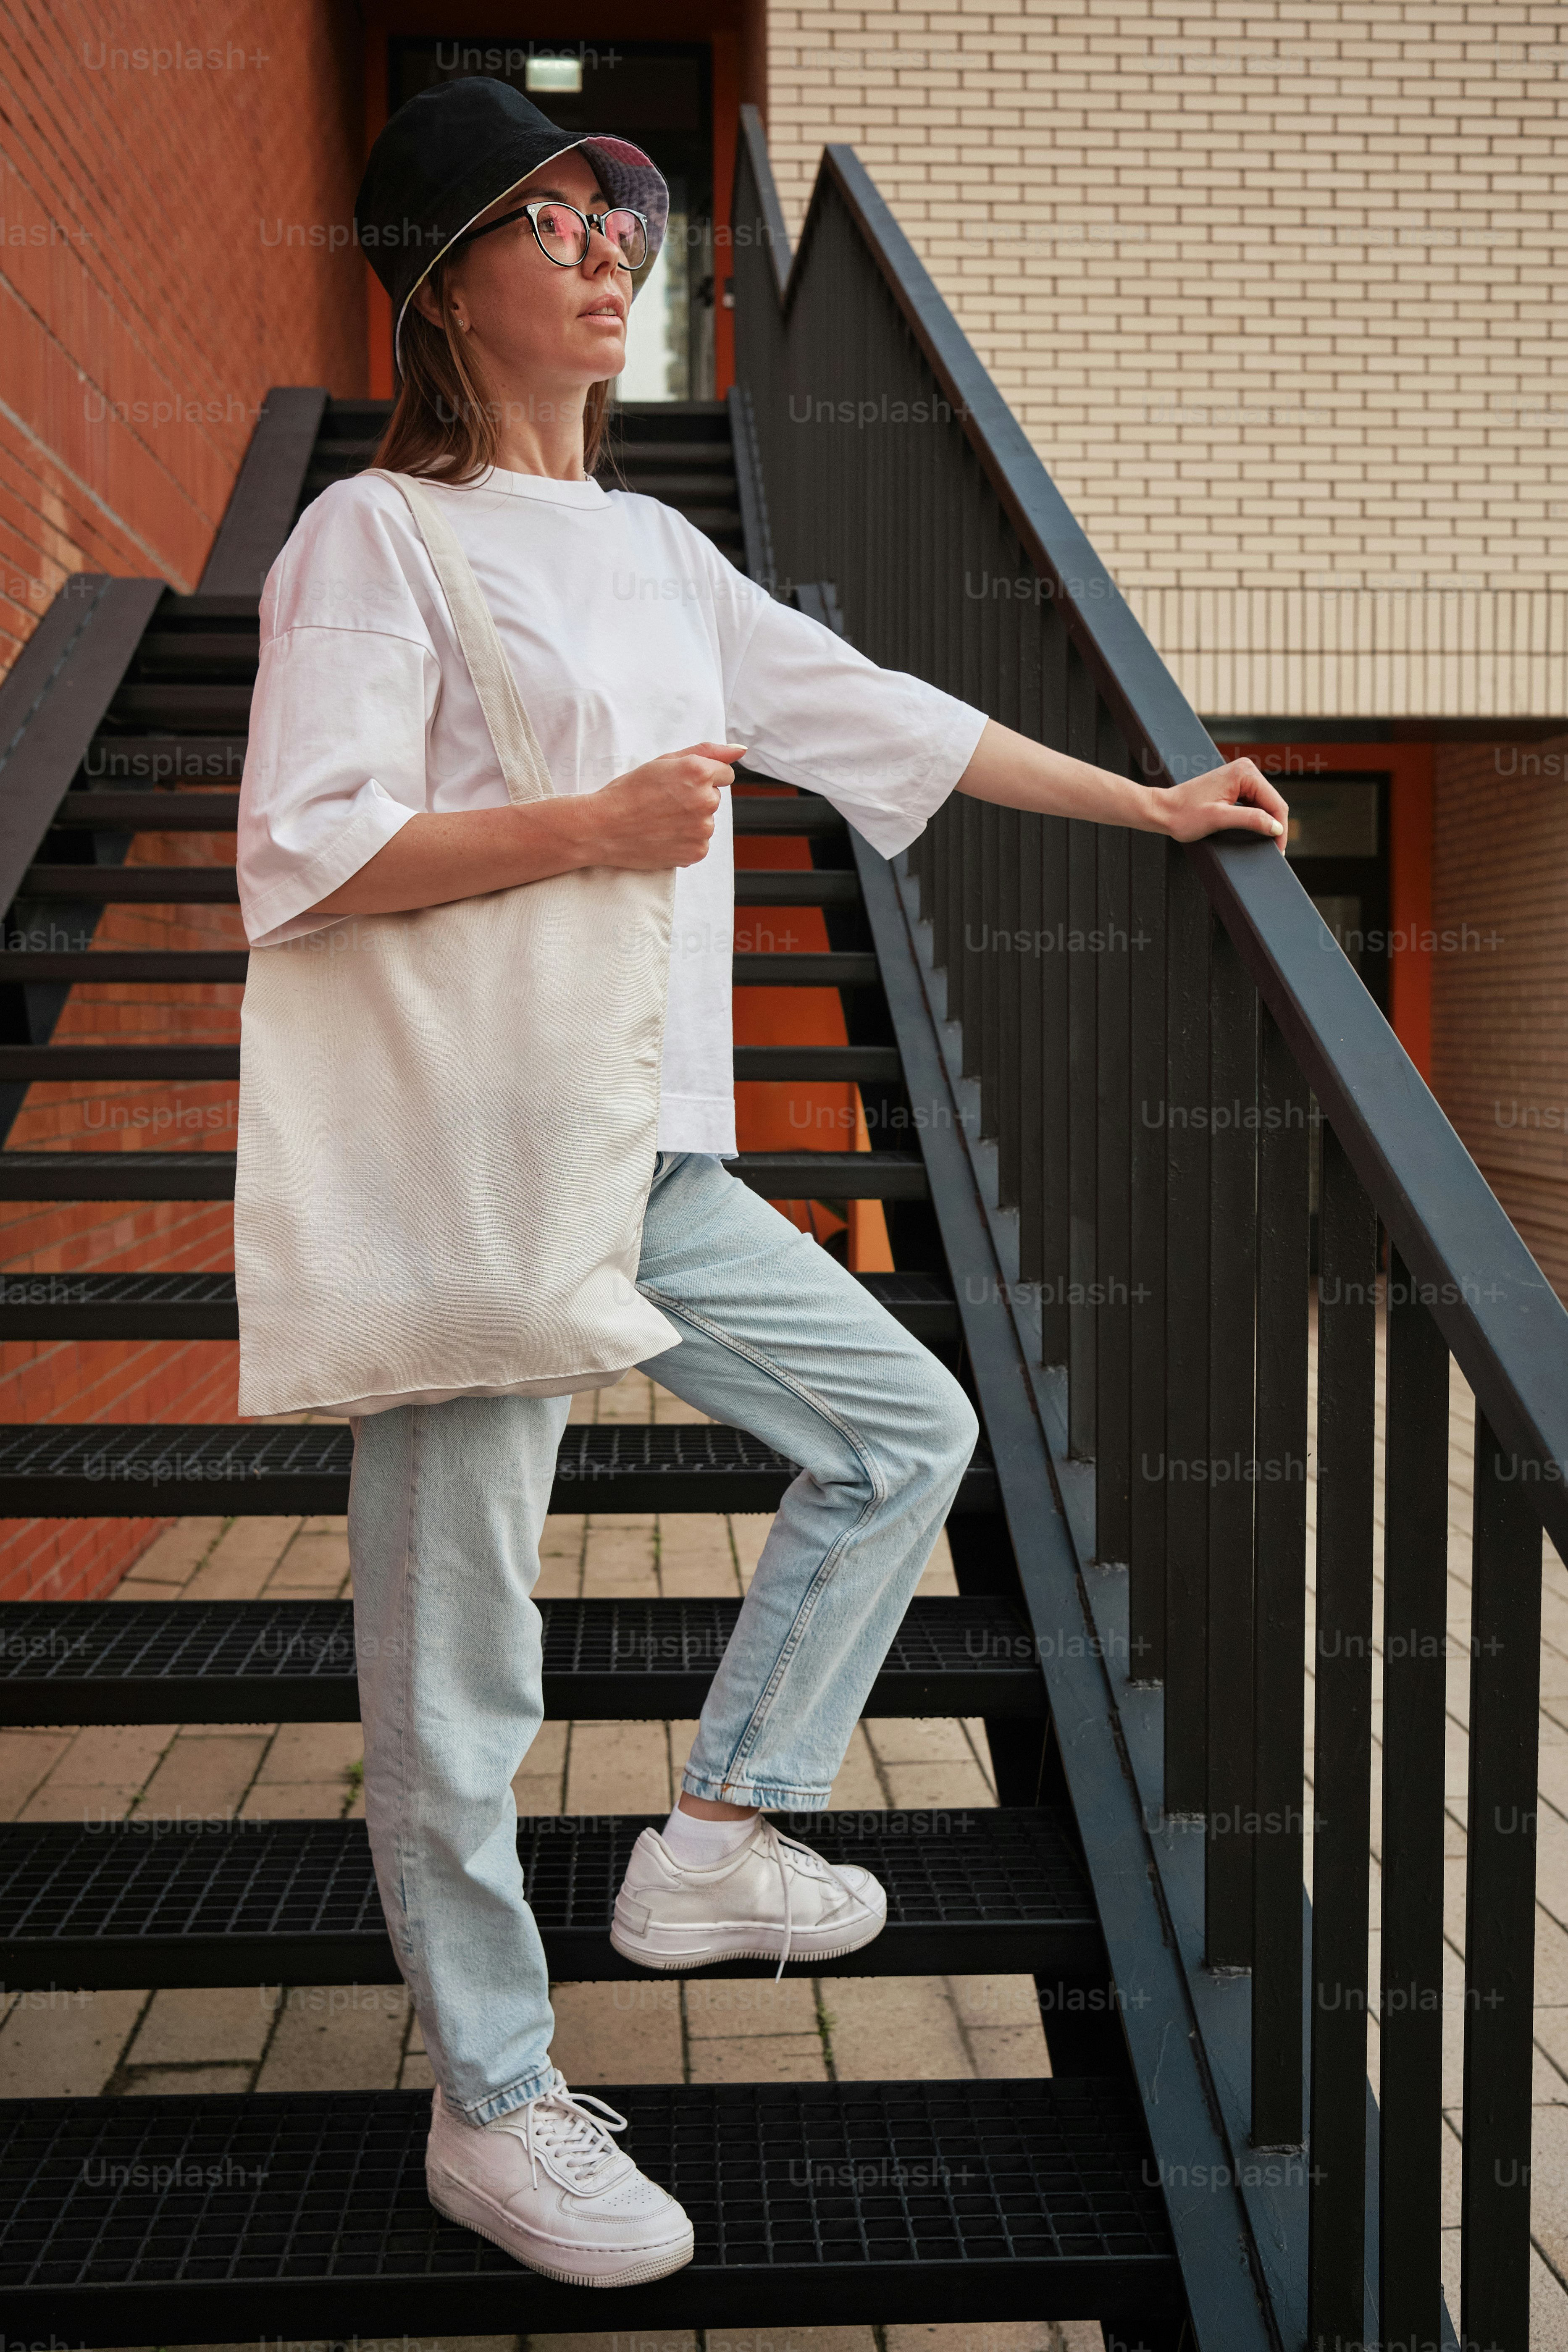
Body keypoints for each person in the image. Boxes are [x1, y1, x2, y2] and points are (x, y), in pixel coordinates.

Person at [236, 75, 1290, 2293]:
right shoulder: (372, 538)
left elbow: (877, 710)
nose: (611, 255)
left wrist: (1153, 800)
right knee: (460, 1678)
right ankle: (492, 2104)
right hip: (471, 1164)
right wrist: (582, 830)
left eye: (623, 228)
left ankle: (718, 1833)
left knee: (906, 1424)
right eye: (554, 223)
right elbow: (301, 852)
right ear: (443, 283)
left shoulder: (648, 550)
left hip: (648, 1154)